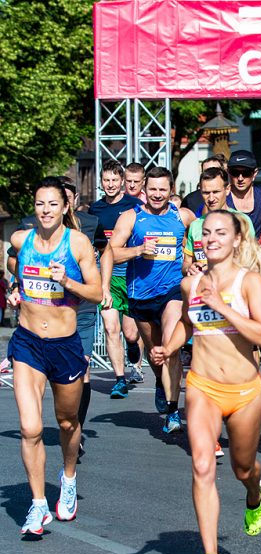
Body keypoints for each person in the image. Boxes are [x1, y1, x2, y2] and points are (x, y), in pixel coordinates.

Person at [150, 210, 261, 554]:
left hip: (244, 391)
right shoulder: (193, 284)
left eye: (221, 232)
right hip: (202, 384)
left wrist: (220, 305)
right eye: (206, 233)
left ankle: (255, 492)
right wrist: (168, 347)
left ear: (238, 239)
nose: (212, 238)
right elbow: (189, 321)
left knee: (242, 468)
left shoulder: (249, 282)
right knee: (202, 466)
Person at [8, 178, 102, 535]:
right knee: (30, 428)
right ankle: (38, 505)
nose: (45, 210)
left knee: (66, 423)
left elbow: (97, 292)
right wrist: (17, 292)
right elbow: (19, 272)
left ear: (65, 207)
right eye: (39, 204)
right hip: (28, 343)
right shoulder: (21, 240)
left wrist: (69, 284)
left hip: (65, 345)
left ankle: (68, 478)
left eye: (52, 204)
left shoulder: (77, 243)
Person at [108, 167, 197, 434]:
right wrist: (137, 250)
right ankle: (161, 382)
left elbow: (200, 241)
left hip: (172, 292)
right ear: (145, 190)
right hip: (140, 296)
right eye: (153, 189)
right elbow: (111, 253)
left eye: (163, 189)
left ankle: (172, 411)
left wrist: (192, 263)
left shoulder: (183, 216)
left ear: (172, 190)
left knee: (169, 347)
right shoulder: (131, 217)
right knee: (154, 353)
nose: (158, 195)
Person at [90, 159, 145, 399]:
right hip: (107, 277)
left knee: (130, 333)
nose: (110, 185)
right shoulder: (95, 210)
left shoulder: (135, 205)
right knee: (111, 328)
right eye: (106, 180)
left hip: (132, 275)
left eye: (114, 180)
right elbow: (93, 243)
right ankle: (119, 379)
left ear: (122, 181)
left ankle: (133, 347)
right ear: (101, 182)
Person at [183, 169, 256, 276]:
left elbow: (252, 260)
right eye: (206, 193)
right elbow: (186, 262)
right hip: (205, 288)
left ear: (227, 190)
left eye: (216, 192)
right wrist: (190, 268)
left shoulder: (242, 220)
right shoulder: (195, 225)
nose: (211, 198)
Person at [227, 150, 261, 240]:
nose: (240, 178)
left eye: (246, 173)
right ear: (228, 172)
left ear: (255, 173)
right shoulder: (220, 199)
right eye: (235, 173)